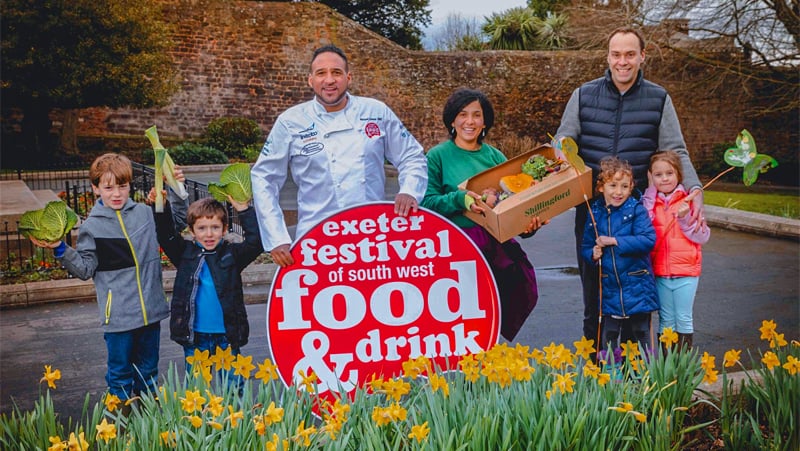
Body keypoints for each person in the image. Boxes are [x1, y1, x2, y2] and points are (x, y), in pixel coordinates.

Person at [554, 26, 705, 346]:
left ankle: (635, 376)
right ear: (608, 57)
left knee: (635, 293)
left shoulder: (659, 98)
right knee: (595, 295)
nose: (622, 61)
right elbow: (561, 144)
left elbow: (676, 150)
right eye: (616, 54)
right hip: (593, 213)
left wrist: (694, 189)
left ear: (642, 57)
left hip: (638, 213)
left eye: (630, 54)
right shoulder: (583, 94)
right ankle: (598, 371)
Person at [251, 44, 428, 267]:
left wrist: (409, 191)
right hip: (316, 239)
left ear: (348, 77)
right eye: (321, 73)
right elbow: (264, 177)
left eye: (336, 72)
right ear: (310, 80)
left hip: (373, 236)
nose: (329, 80)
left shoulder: (376, 112)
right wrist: (277, 238)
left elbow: (412, 156)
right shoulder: (290, 122)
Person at [29, 153, 170, 401]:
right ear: (95, 189)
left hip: (151, 314)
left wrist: (170, 198)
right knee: (120, 377)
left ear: (130, 186)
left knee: (148, 375)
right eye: (108, 187)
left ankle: (151, 433)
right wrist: (60, 249)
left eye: (122, 186)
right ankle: (121, 432)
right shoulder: (91, 227)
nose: (116, 193)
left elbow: (175, 227)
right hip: (119, 319)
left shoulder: (145, 214)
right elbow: (85, 269)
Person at [421, 88, 543, 341]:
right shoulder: (437, 157)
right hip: (455, 249)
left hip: (494, 250)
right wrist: (460, 199)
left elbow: (510, 206)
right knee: (460, 319)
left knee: (490, 316)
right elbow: (426, 203)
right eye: (463, 114)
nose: (470, 121)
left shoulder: (496, 157)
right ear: (452, 120)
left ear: (485, 121)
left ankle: (486, 372)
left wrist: (528, 226)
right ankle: (460, 378)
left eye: (477, 115)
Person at [153, 193, 262, 386]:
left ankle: (234, 416)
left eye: (215, 227)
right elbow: (165, 235)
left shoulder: (232, 255)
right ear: (192, 231)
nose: (209, 234)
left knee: (233, 387)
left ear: (225, 229)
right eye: (202, 228)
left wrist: (244, 210)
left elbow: (256, 242)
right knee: (197, 389)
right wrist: (160, 207)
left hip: (227, 335)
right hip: (195, 335)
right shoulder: (184, 253)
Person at [581, 156, 657, 353]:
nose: (618, 192)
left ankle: (643, 375)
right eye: (613, 185)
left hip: (637, 285)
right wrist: (593, 253)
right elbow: (586, 246)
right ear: (601, 187)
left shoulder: (636, 210)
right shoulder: (594, 213)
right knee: (609, 335)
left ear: (631, 187)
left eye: (624, 186)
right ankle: (612, 377)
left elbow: (648, 239)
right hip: (609, 288)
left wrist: (615, 241)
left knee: (641, 333)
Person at [642, 151, 710, 350]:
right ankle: (667, 368)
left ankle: (683, 368)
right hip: (660, 271)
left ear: (679, 175)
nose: (664, 178)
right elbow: (643, 225)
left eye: (669, 173)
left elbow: (702, 236)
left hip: (686, 271)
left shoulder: (688, 200)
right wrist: (650, 192)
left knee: (683, 318)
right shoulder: (649, 202)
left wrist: (684, 217)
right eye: (658, 174)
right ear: (651, 176)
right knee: (666, 320)